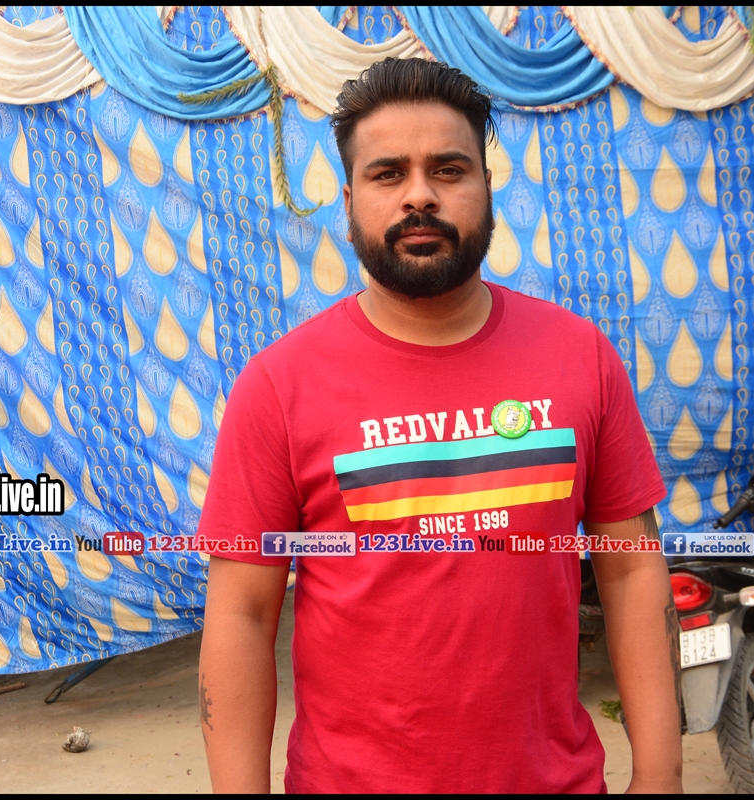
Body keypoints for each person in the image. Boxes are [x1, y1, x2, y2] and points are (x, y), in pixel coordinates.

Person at [197, 57, 683, 794]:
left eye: (449, 170)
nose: (419, 194)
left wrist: (662, 773)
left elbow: (631, 568)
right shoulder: (278, 387)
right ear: (350, 200)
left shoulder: (579, 356)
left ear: (487, 188)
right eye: (388, 173)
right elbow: (241, 612)